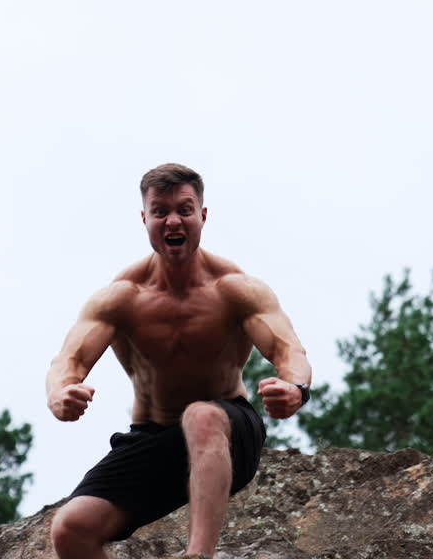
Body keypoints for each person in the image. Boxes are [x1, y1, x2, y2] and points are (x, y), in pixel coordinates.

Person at [46, 163, 313, 559]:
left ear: (202, 215)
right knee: (71, 530)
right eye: (161, 211)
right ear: (145, 219)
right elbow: (67, 361)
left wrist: (295, 388)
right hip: (154, 439)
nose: (173, 220)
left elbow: (290, 351)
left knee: (201, 416)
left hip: (229, 433)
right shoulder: (121, 298)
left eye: (185, 209)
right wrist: (60, 396)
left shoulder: (235, 289)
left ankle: (197, 555)